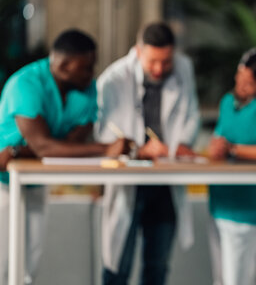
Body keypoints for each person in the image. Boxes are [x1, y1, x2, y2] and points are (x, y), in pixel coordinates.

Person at [0, 29, 131, 285]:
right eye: (85, 68)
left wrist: (23, 150)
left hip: (36, 180)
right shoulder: (25, 84)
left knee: (29, 264)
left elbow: (69, 143)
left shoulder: (87, 89)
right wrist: (106, 148)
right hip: (3, 182)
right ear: (63, 65)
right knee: (4, 263)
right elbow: (47, 148)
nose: (92, 74)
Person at [95, 21, 200, 285]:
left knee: (157, 267)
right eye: (153, 61)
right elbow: (103, 134)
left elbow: (191, 115)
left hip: (165, 182)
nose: (159, 69)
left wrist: (178, 146)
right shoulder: (114, 78)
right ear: (138, 51)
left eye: (166, 62)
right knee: (118, 265)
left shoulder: (183, 67)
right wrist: (138, 149)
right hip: (129, 179)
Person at [207, 49, 256, 285]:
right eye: (238, 78)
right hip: (219, 203)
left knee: (238, 279)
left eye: (248, 83)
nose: (240, 86)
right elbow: (217, 138)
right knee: (221, 279)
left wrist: (232, 149)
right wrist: (217, 148)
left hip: (247, 208)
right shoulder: (227, 102)